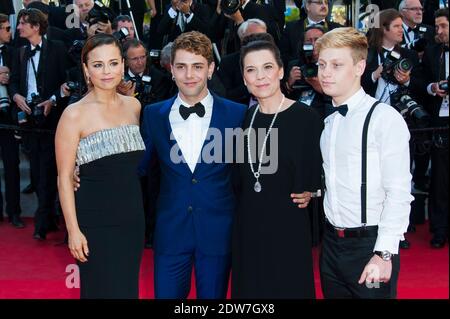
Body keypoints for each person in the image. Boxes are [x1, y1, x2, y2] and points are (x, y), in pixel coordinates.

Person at [139, 31, 247, 299]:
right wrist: (88, 172)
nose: (189, 75)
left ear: (210, 69)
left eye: (197, 66)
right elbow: (138, 167)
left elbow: (253, 169)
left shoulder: (236, 114)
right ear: (171, 70)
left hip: (218, 231)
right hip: (170, 230)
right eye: (182, 67)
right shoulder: (153, 114)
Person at [316, 27, 413, 298]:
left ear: (360, 67)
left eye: (336, 65)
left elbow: (399, 192)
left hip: (370, 247)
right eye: (322, 64)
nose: (325, 73)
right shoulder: (330, 123)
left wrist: (384, 254)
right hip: (331, 247)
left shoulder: (384, 118)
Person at [56, 33, 145, 299]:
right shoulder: (73, 115)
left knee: (127, 289)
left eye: (113, 63)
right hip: (94, 222)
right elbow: (63, 178)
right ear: (86, 68)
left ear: (123, 65)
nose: (107, 71)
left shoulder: (135, 106)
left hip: (132, 218)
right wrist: (73, 230)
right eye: (98, 65)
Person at [231, 39, 322, 298]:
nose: (260, 76)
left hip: (288, 230)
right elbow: (241, 178)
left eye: (267, 67)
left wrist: (314, 192)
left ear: (281, 71)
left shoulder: (307, 119)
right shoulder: (245, 119)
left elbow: (321, 175)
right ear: (244, 77)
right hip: (247, 229)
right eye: (251, 70)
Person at [421, 8, 449, 248]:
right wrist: (432, 87)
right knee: (439, 179)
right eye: (437, 27)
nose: (438, 31)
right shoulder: (431, 52)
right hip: (439, 123)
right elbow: (421, 82)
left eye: (442, 26)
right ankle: (439, 230)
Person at [0, 13, 22, 227]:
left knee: (12, 165)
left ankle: (14, 212)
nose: (11, 32)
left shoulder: (13, 52)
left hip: (8, 116)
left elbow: (18, 79)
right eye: (6, 28)